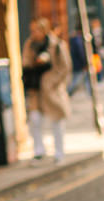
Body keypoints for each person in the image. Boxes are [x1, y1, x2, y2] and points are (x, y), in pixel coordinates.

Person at [23, 17, 70, 163]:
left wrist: (55, 82)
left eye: (37, 30)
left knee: (57, 121)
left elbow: (65, 67)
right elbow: (25, 62)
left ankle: (59, 153)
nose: (34, 33)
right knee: (35, 119)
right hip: (36, 89)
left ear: (44, 30)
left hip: (51, 89)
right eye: (33, 30)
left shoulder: (56, 44)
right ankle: (39, 150)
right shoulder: (30, 45)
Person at [67, 27, 90, 95]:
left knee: (79, 79)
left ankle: (90, 93)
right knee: (76, 81)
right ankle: (68, 93)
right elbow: (81, 53)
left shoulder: (74, 39)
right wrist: (84, 63)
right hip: (79, 64)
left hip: (76, 64)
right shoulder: (78, 40)